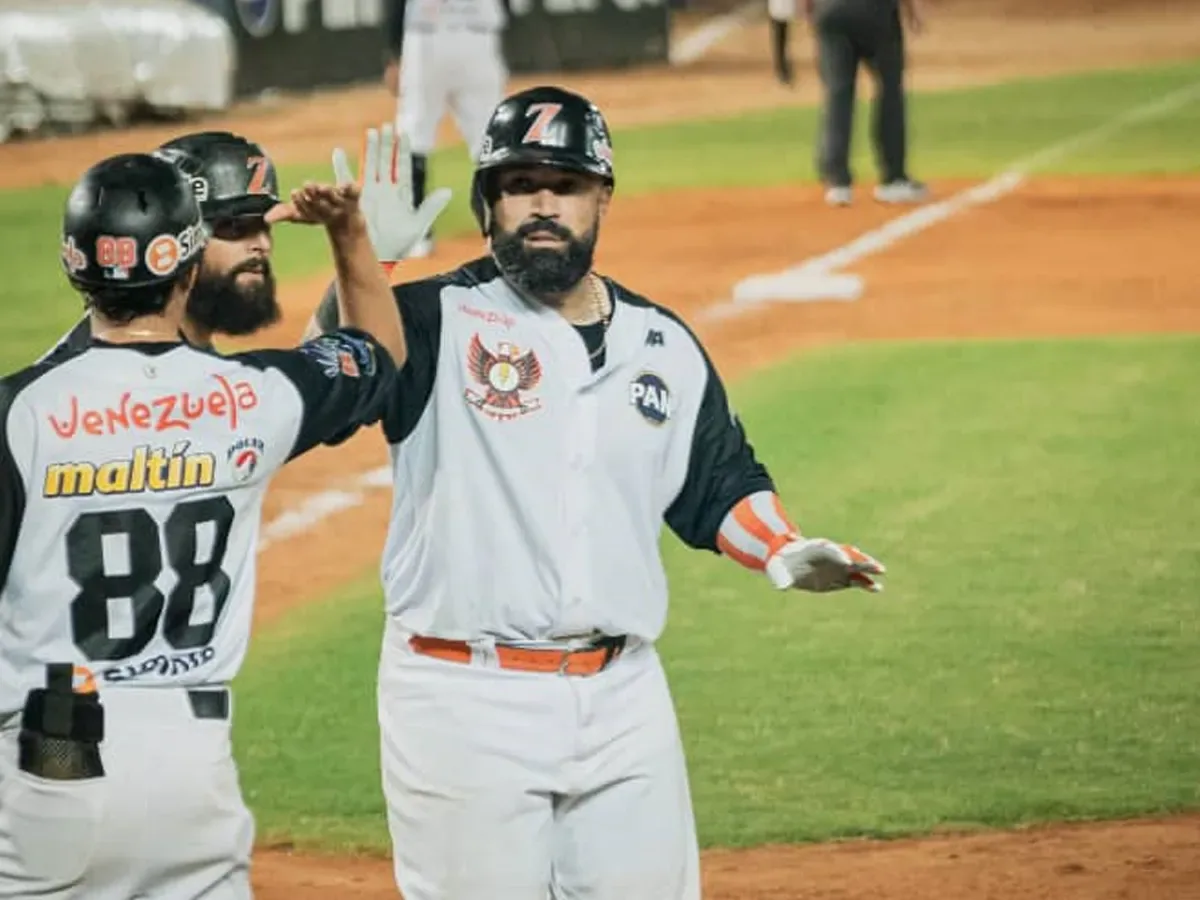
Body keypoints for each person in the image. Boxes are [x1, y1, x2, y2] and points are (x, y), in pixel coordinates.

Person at [306, 85, 887, 900]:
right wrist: (367, 266)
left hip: (623, 698)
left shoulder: (664, 345)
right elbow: (337, 386)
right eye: (518, 185)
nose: (542, 204)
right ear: (488, 203)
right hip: (463, 700)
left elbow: (717, 481)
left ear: (602, 196)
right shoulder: (435, 319)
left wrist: (782, 549)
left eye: (565, 184)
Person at [0, 139, 423, 899]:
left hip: (52, 755)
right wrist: (354, 240)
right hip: (194, 768)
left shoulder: (21, 413)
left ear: (76, 270)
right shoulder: (254, 398)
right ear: (188, 268)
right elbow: (376, 357)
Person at [382, 0, 509, 258]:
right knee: (491, 135)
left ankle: (418, 237)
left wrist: (394, 53)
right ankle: (504, 228)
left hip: (427, 35)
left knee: (414, 134)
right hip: (478, 34)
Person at [809, 0, 929, 206]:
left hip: (830, 10)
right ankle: (893, 178)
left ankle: (838, 183)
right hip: (875, 12)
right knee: (889, 88)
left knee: (838, 93)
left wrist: (814, 13)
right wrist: (913, 11)